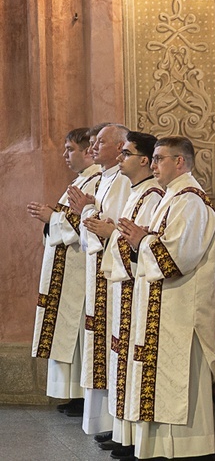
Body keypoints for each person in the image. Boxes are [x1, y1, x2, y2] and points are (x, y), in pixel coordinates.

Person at [118, 136, 215, 460]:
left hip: (181, 311)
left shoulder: (189, 202)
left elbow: (178, 259)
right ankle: (161, 449)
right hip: (165, 306)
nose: (153, 165)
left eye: (160, 158)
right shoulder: (172, 198)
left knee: (178, 383)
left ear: (180, 162)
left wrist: (142, 240)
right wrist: (141, 240)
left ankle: (190, 449)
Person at [93, 131, 164, 458]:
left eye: (126, 153)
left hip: (136, 289)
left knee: (130, 362)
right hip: (124, 288)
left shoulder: (151, 195)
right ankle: (123, 432)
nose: (120, 158)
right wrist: (112, 234)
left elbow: (143, 246)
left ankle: (133, 437)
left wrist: (112, 235)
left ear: (144, 161)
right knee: (120, 360)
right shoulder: (136, 192)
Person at [29, 128, 101, 418]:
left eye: (69, 149)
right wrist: (53, 217)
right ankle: (72, 394)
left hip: (79, 270)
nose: (65, 155)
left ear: (87, 151)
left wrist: (52, 217)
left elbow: (82, 224)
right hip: (67, 268)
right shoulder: (82, 180)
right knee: (67, 332)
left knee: (76, 332)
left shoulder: (95, 180)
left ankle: (82, 396)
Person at [69, 123, 132, 435]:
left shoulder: (121, 180)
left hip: (113, 274)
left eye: (100, 142)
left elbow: (110, 227)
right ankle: (104, 423)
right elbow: (91, 232)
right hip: (100, 270)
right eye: (92, 142)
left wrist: (87, 210)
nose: (93, 147)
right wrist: (88, 213)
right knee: (101, 346)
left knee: (111, 346)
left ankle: (112, 425)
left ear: (121, 146)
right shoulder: (106, 177)